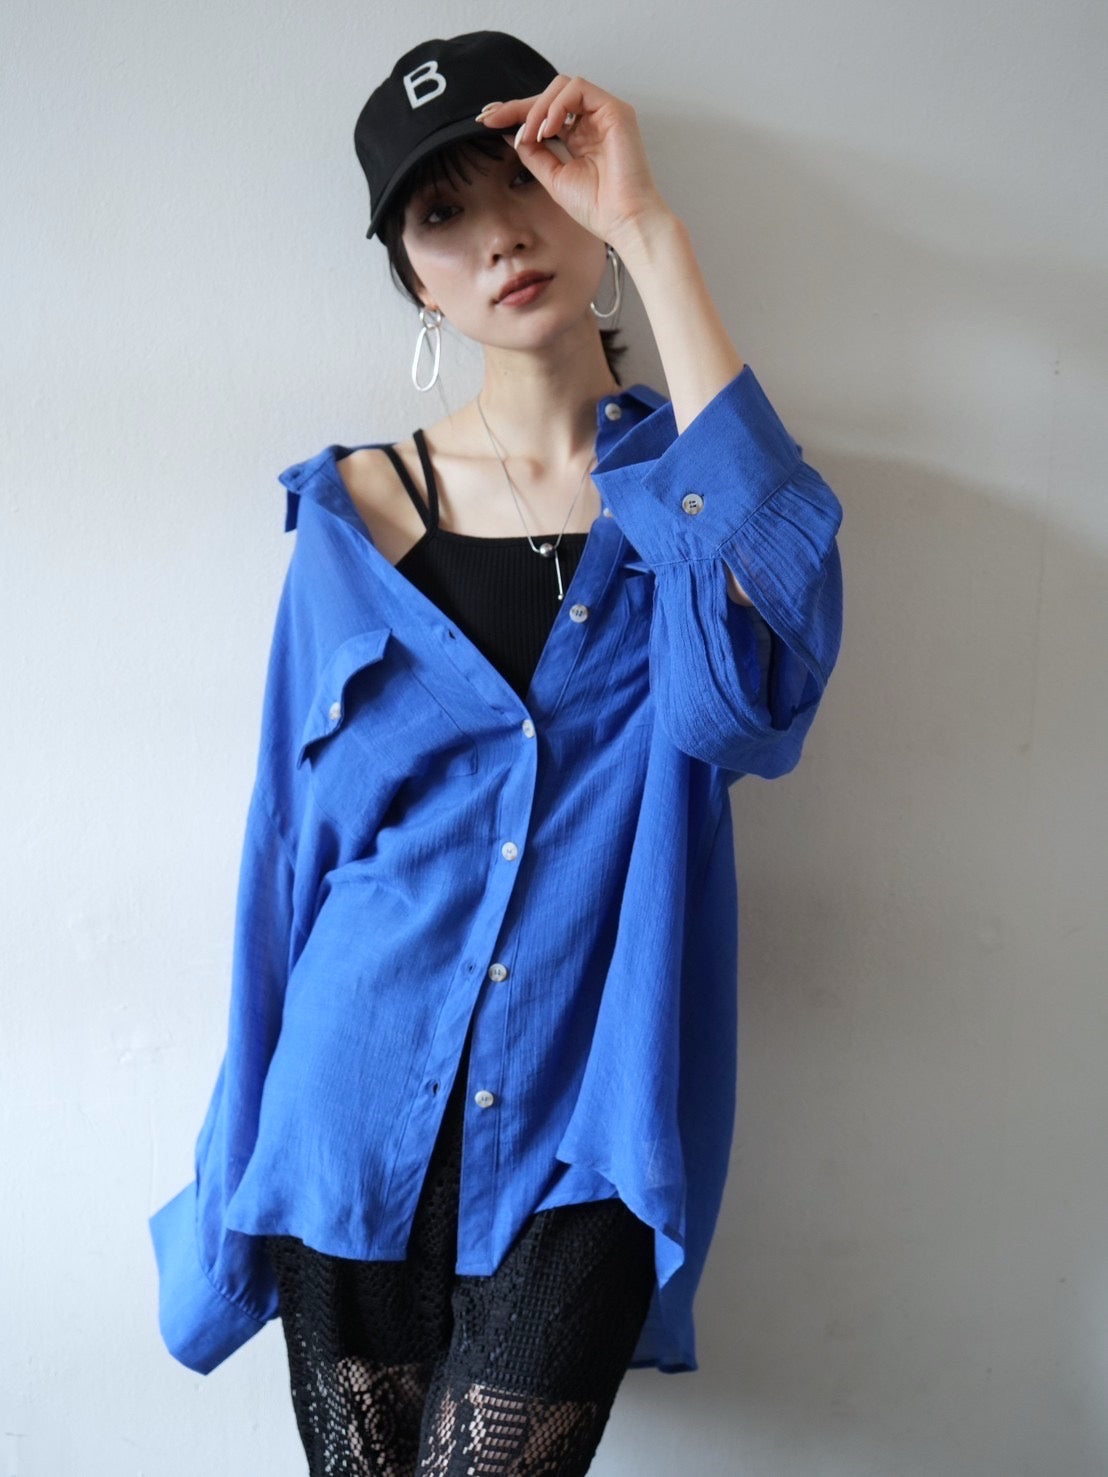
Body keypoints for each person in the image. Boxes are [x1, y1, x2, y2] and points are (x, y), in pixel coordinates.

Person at [147, 28, 845, 1476]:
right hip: (352, 1108)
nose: (499, 236)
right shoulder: (355, 515)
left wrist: (649, 228)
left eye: (525, 175)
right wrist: (237, 1166)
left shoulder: (685, 505)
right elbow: (289, 856)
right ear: (415, 279)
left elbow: (759, 699)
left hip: (585, 1120)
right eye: (442, 214)